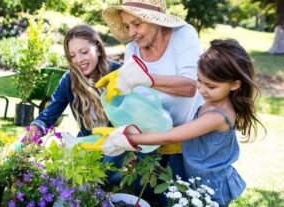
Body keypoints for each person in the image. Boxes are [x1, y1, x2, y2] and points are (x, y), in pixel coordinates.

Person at [100, 39, 266, 206]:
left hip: (212, 186)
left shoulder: (217, 116)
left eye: (210, 86)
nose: (201, 89)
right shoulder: (214, 100)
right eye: (199, 80)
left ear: (235, 84)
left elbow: (170, 137)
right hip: (197, 177)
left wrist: (128, 139)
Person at [95, 0, 204, 180]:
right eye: (127, 26)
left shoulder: (183, 35)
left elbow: (191, 86)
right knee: (138, 189)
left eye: (137, 24)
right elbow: (139, 103)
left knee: (177, 197)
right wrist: (123, 130)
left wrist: (148, 79)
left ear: (157, 20)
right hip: (153, 137)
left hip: (187, 139)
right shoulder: (133, 50)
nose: (131, 33)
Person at [29, 24, 123, 184]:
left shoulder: (118, 73)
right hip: (88, 141)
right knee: (68, 177)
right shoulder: (69, 80)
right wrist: (35, 129)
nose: (78, 60)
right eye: (72, 55)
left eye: (84, 52)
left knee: (104, 179)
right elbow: (48, 114)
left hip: (117, 143)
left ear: (98, 49)